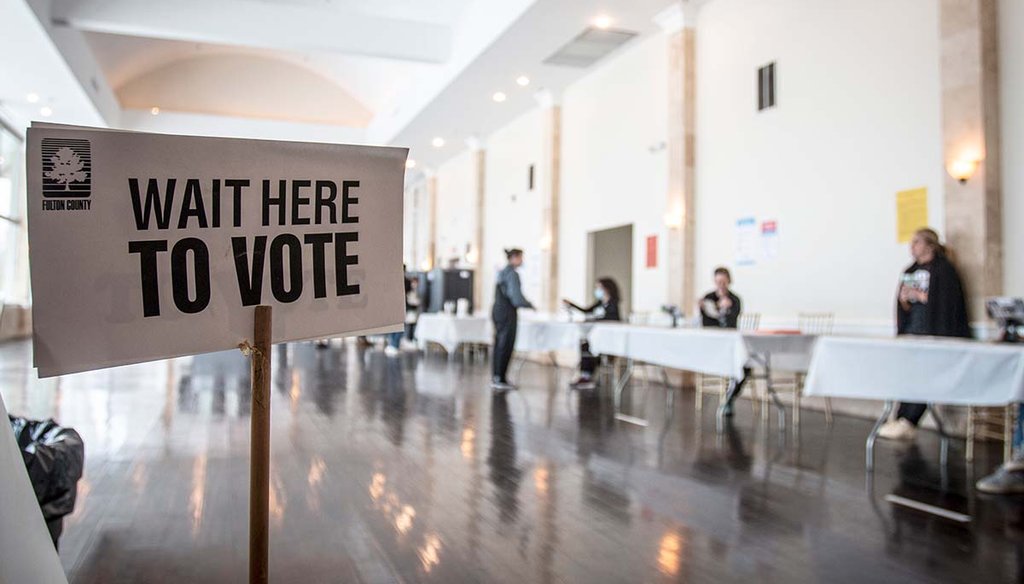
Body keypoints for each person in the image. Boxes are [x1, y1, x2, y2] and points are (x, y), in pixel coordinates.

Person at [878, 227, 970, 440]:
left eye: (916, 242)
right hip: (913, 330)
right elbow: (905, 307)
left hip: (934, 332)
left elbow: (945, 305)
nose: (912, 247)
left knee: (924, 377)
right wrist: (905, 300)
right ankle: (900, 416)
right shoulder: (910, 271)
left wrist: (921, 295)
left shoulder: (943, 271)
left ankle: (910, 419)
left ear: (929, 245)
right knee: (909, 377)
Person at [699, 267, 749, 416]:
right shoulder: (708, 297)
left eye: (723, 281)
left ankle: (729, 398)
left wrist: (726, 310)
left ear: (729, 281)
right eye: (718, 281)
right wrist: (705, 309)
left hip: (731, 343)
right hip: (714, 344)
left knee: (745, 365)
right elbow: (706, 324)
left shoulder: (735, 300)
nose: (720, 284)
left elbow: (733, 323)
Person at [562, 277, 622, 390]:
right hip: (597, 336)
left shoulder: (613, 304)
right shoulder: (600, 303)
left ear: (607, 288)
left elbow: (613, 318)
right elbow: (586, 311)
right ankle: (585, 376)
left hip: (608, 338)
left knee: (591, 349)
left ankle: (588, 377)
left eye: (599, 287)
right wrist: (571, 305)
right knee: (585, 345)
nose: (597, 290)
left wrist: (596, 319)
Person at [491, 248, 534, 392]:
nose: (522, 261)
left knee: (499, 345)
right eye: (521, 257)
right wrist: (529, 305)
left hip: (498, 312)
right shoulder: (512, 275)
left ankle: (497, 376)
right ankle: (500, 378)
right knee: (506, 345)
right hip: (507, 313)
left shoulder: (501, 273)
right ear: (514, 258)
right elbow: (516, 298)